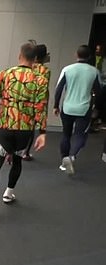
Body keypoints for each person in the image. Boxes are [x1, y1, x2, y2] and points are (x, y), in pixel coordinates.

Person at [0, 43, 48, 218]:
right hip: (25, 129)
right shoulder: (40, 80)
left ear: (19, 55)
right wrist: (42, 132)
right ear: (35, 59)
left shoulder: (5, 74)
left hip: (5, 125)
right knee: (18, 161)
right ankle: (9, 192)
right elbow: (41, 107)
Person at [53, 44, 101, 175]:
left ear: (76, 55)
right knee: (81, 135)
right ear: (90, 56)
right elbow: (99, 91)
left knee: (66, 134)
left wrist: (56, 106)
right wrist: (96, 107)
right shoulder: (94, 71)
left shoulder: (67, 69)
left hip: (67, 107)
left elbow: (59, 89)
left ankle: (64, 161)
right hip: (84, 109)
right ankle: (72, 156)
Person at [23, 44, 51, 161]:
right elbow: (44, 88)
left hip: (24, 98)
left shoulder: (28, 66)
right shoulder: (45, 70)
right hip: (37, 101)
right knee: (31, 127)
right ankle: (25, 153)